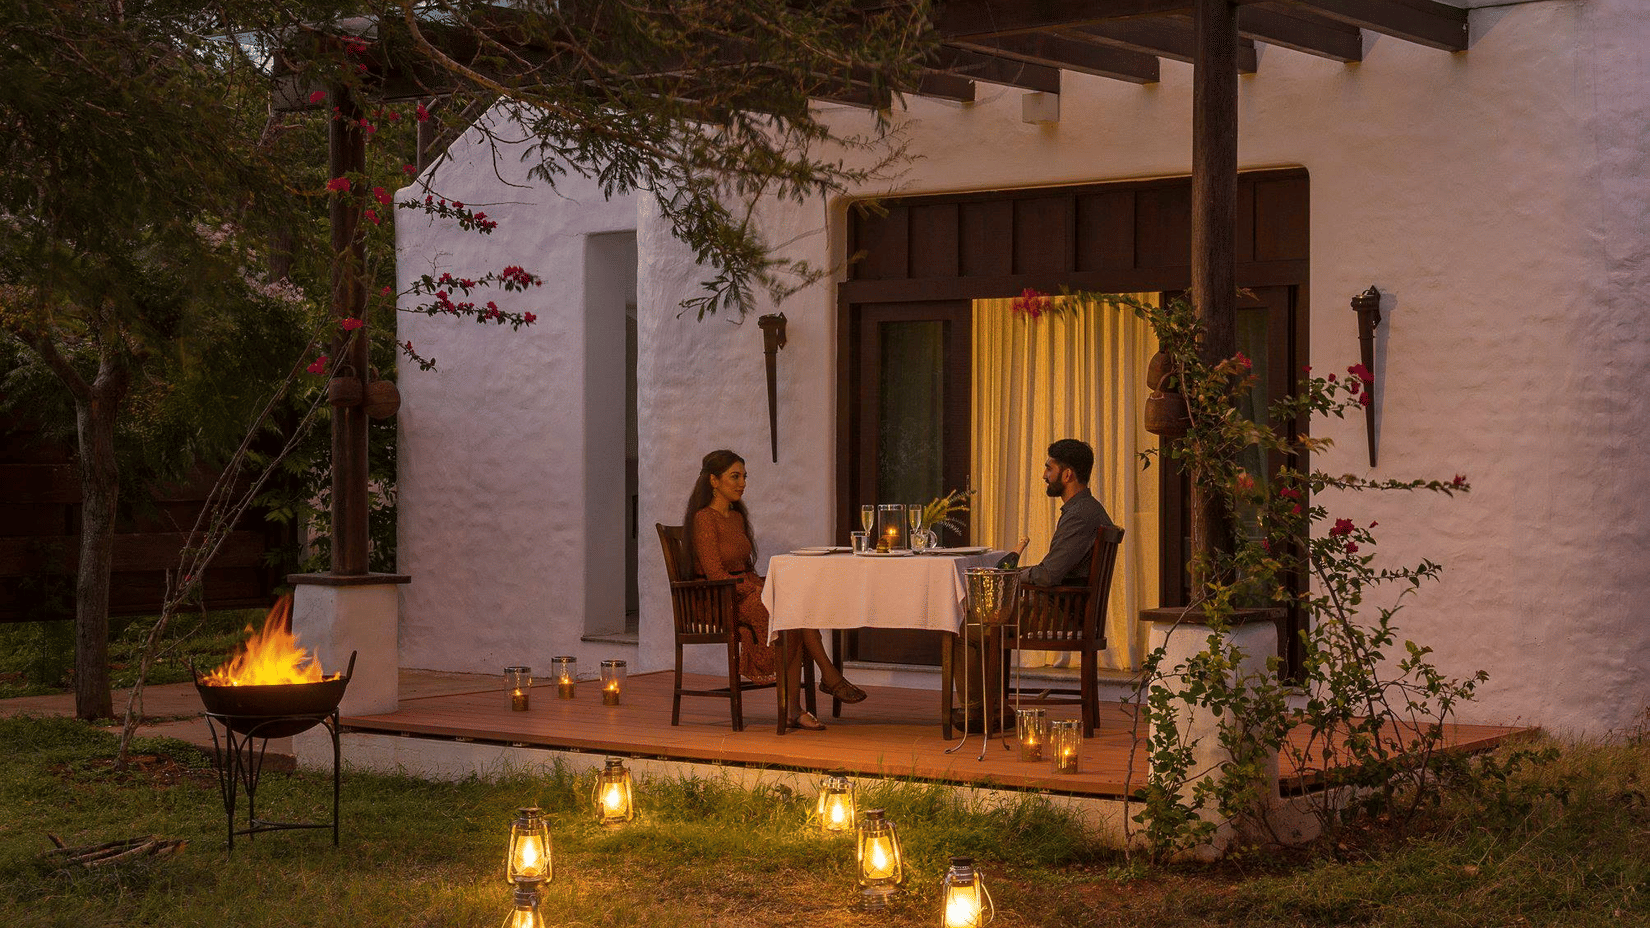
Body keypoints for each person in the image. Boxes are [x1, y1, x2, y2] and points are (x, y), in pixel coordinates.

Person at [681, 449, 866, 731]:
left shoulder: (736, 518)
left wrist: (764, 585)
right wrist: (757, 588)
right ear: (714, 481)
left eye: (744, 476)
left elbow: (746, 568)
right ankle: (825, 679)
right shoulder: (704, 519)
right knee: (788, 611)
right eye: (735, 476)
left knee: (794, 607)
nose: (742, 483)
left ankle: (797, 705)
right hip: (719, 598)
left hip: (742, 590)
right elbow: (716, 573)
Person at [951, 438, 1116, 733]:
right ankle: (994, 708)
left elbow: (1049, 576)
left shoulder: (1079, 515)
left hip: (1062, 611)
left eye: (1048, 467)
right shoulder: (1087, 510)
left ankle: (977, 711)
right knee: (985, 617)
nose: (1044, 475)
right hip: (1067, 605)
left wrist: (1009, 577)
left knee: (968, 623)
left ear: (1067, 475)